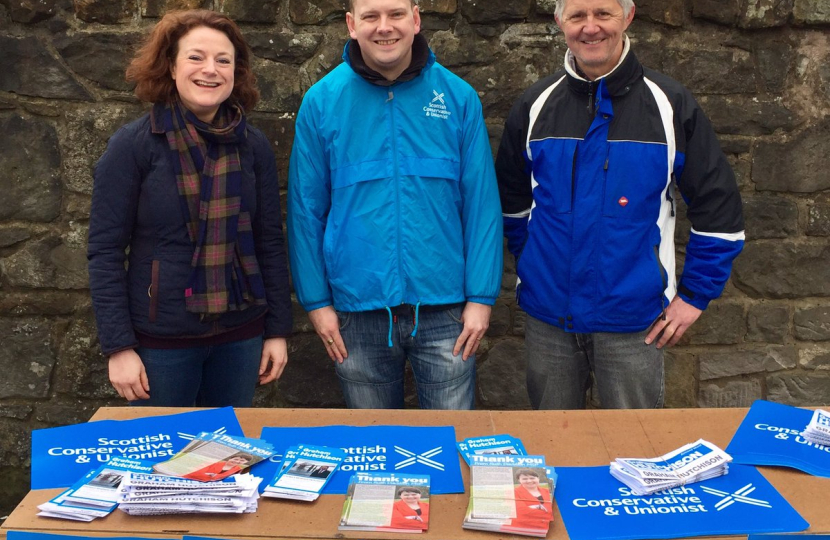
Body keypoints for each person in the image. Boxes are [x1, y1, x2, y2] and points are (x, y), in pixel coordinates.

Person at [495, 0, 745, 410]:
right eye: (577, 15)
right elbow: (511, 202)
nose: (590, 27)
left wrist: (695, 296)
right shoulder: (535, 104)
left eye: (603, 13)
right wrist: (535, 262)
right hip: (548, 319)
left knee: (635, 444)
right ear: (559, 22)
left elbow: (719, 211)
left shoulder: (669, 104)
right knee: (553, 443)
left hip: (633, 321)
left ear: (628, 17)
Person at [287, 0, 503, 409]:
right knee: (373, 442)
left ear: (416, 19)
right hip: (356, 311)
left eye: (396, 14)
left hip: (446, 312)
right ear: (352, 24)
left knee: (450, 437)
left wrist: (481, 298)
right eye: (371, 16)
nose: (384, 27)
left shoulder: (458, 97)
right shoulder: (321, 102)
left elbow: (481, 206)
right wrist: (316, 303)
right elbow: (304, 210)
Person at [88, 9, 292, 407]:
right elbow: (105, 251)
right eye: (196, 57)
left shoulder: (252, 145)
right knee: (163, 448)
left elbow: (269, 242)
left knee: (227, 445)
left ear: (236, 71)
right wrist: (119, 347)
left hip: (241, 336)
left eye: (223, 60)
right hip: (161, 344)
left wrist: (277, 331)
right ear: (171, 66)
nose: (210, 70)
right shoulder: (134, 146)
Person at [183, 453, 253, 481]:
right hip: (190, 479)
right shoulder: (212, 463)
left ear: (245, 462)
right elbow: (196, 473)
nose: (237, 461)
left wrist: (214, 476)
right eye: (236, 459)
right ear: (230, 458)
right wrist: (215, 478)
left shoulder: (238, 469)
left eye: (242, 461)